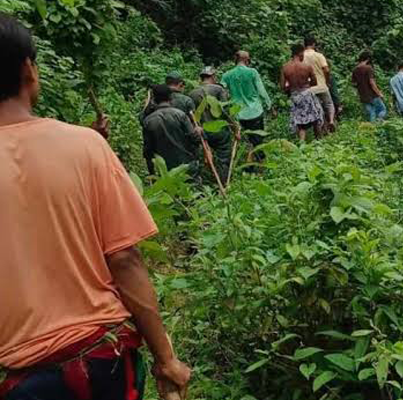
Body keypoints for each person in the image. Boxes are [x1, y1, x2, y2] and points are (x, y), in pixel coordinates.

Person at [0, 14, 191, 400]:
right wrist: (165, 359)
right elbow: (125, 260)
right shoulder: (84, 146)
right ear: (29, 69)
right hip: (103, 358)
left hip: (22, 377)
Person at [222, 51, 272, 166]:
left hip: (239, 114)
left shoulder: (227, 75)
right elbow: (261, 90)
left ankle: (250, 162)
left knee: (247, 139)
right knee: (257, 138)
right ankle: (258, 163)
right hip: (255, 111)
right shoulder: (252, 72)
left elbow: (221, 91)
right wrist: (269, 105)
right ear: (247, 60)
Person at [143, 84, 201, 176]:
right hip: (185, 165)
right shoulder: (180, 115)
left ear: (153, 99)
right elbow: (194, 140)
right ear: (170, 98)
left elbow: (148, 151)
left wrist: (152, 173)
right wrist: (198, 132)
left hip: (164, 170)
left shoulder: (148, 120)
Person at [190, 66, 235, 184]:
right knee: (223, 157)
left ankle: (207, 180)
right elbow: (225, 110)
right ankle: (223, 183)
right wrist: (234, 126)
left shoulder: (192, 93)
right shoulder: (218, 89)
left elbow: (192, 115)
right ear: (213, 77)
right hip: (220, 130)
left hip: (203, 131)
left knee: (205, 156)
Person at [281, 43, 325, 141]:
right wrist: (306, 84)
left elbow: (283, 86)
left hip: (294, 96)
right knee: (315, 119)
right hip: (306, 94)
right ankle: (320, 142)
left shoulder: (285, 68)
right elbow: (314, 82)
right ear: (300, 53)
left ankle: (302, 144)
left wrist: (291, 89)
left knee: (301, 124)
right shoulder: (306, 67)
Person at [303, 36, 335, 132]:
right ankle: (331, 121)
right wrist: (327, 80)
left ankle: (320, 127)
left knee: (317, 108)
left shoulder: (301, 57)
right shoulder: (319, 55)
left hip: (309, 88)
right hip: (322, 85)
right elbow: (326, 69)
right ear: (314, 44)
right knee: (329, 104)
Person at [351, 51, 387, 123]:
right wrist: (379, 93)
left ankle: (373, 128)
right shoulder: (368, 68)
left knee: (371, 113)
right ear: (368, 59)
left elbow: (354, 84)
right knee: (382, 110)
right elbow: (372, 83)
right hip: (372, 95)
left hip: (363, 97)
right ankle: (379, 123)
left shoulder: (355, 70)